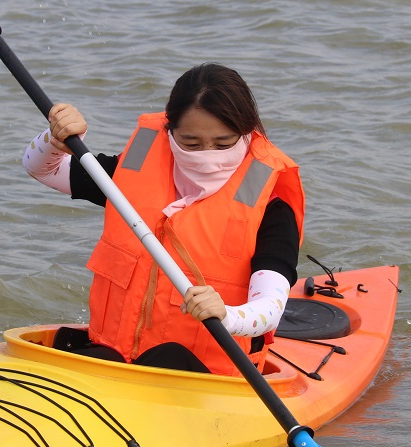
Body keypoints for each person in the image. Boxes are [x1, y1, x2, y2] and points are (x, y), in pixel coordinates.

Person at [22, 63, 305, 376]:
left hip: (207, 375)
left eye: (224, 143)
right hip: (114, 357)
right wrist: (55, 138)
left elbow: (270, 307)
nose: (208, 156)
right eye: (191, 143)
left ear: (247, 133)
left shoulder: (272, 205)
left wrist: (228, 316)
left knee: (168, 357)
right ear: (170, 131)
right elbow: (43, 169)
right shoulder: (133, 173)